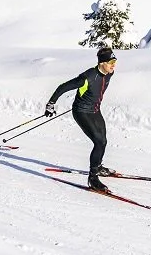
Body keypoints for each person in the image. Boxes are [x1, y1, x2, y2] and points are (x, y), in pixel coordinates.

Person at [44, 46, 119, 192]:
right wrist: (50, 104)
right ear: (102, 63)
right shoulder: (87, 77)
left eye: (115, 61)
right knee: (99, 141)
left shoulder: (110, 73)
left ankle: (98, 166)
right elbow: (62, 87)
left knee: (103, 140)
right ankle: (93, 178)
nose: (114, 65)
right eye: (111, 62)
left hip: (95, 111)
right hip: (81, 112)